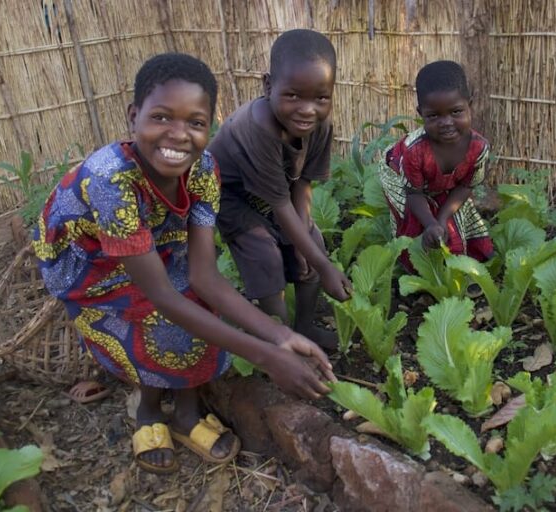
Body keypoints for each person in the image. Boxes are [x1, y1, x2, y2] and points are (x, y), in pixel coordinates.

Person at [32, 53, 335, 475]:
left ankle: (188, 411)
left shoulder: (203, 169)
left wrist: (279, 334)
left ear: (210, 125)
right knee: (152, 317)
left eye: (195, 123)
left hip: (151, 238)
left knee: (200, 302)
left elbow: (204, 275)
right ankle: (150, 410)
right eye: (161, 118)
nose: (177, 136)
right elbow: (159, 295)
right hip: (87, 261)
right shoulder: (111, 180)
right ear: (133, 117)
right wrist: (267, 356)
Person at [208, 29, 351, 351]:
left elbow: (302, 185)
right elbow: (279, 203)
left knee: (310, 243)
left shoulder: (320, 127)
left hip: (275, 193)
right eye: (293, 96)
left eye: (321, 98)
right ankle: (280, 342)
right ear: (268, 85)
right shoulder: (258, 127)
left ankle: (305, 328)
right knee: (265, 254)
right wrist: (326, 268)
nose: (307, 109)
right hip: (229, 194)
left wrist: (310, 251)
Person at [379, 60, 494, 269]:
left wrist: (441, 218)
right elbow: (413, 194)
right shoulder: (414, 151)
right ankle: (419, 271)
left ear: (470, 104)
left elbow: (465, 187)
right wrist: (431, 223)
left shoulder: (478, 148)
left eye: (456, 112)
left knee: (452, 217)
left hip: (441, 183)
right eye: (433, 116)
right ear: (420, 113)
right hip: (398, 176)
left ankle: (460, 265)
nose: (446, 123)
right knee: (415, 221)